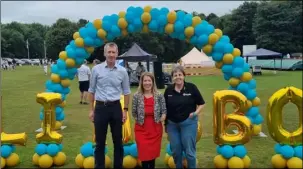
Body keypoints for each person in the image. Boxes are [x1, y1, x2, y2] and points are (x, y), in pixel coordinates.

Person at [88, 42, 131, 168]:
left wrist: (125, 110)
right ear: (105, 53)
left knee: (118, 142)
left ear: (117, 54)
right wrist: (91, 110)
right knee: (100, 142)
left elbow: (127, 92)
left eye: (113, 52)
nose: (111, 55)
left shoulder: (123, 71)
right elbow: (91, 91)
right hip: (100, 108)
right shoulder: (96, 69)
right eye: (109, 52)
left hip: (116, 108)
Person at [164, 65, 205, 169]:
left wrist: (195, 113)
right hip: (172, 125)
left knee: (189, 152)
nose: (178, 77)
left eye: (180, 75)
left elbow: (201, 103)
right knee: (176, 151)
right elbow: (164, 108)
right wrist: (165, 124)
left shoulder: (191, 87)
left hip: (188, 123)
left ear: (184, 76)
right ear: (172, 77)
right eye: (175, 75)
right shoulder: (168, 90)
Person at [132, 72, 166, 169]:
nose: (147, 83)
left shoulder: (159, 95)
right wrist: (140, 120)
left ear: (153, 82)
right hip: (141, 128)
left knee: (152, 153)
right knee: (143, 153)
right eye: (145, 81)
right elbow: (134, 112)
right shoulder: (136, 96)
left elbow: (164, 110)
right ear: (142, 82)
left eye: (149, 80)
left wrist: (162, 117)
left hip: (155, 128)